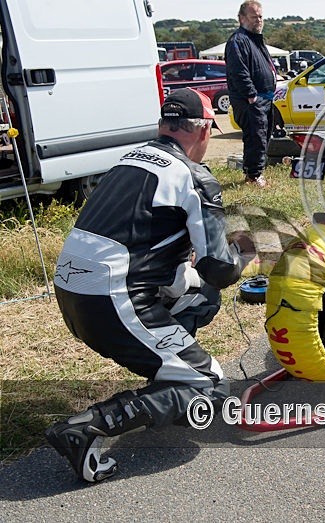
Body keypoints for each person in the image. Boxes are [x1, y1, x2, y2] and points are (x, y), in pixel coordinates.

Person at [45, 88, 254, 483]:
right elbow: (219, 269)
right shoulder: (194, 177)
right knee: (210, 390)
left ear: (164, 125)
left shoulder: (130, 158)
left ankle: (167, 376)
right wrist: (244, 252)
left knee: (201, 300)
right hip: (114, 300)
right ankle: (87, 428)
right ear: (204, 130)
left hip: (74, 293)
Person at [225, 0, 278, 188]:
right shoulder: (238, 41)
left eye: (260, 17)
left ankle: (256, 172)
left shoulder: (256, 39)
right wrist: (251, 95)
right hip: (251, 100)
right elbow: (238, 71)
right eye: (254, 17)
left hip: (265, 98)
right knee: (255, 136)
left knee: (263, 136)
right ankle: (254, 176)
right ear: (241, 18)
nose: (259, 20)